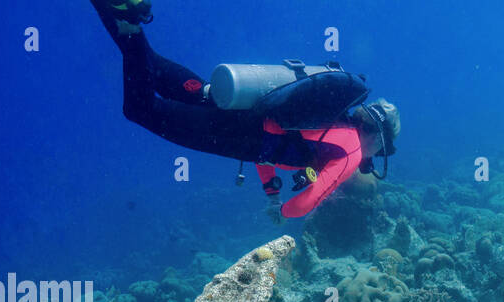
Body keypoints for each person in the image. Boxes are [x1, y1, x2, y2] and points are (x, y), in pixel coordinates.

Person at [90, 0, 400, 218]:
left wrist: (271, 191)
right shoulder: (352, 152)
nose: (373, 159)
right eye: (381, 152)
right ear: (378, 139)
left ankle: (115, 9)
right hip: (233, 133)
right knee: (141, 110)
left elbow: (275, 137)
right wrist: (283, 211)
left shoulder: (333, 117)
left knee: (153, 65)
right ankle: (130, 21)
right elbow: (307, 202)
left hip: (237, 103)